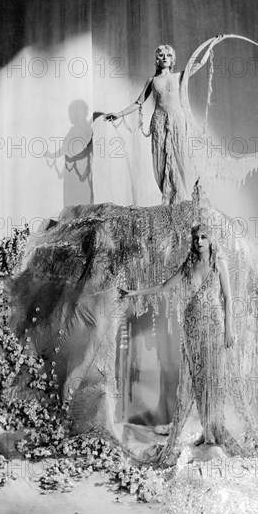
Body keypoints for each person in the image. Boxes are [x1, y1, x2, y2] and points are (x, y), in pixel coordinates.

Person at [120, 223, 235, 445]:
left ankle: (214, 431)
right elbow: (164, 286)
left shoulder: (219, 264)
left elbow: (228, 299)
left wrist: (229, 329)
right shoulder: (189, 265)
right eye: (196, 238)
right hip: (192, 329)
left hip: (214, 327)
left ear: (211, 240)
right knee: (198, 380)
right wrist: (134, 292)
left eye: (203, 237)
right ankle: (206, 431)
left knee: (214, 379)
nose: (199, 241)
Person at [104, 38, 224, 205]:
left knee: (179, 158)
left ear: (172, 59)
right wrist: (119, 114)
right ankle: (169, 197)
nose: (165, 57)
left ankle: (183, 197)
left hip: (177, 121)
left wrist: (211, 45)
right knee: (162, 161)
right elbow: (138, 103)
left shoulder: (179, 76)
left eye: (168, 55)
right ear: (157, 59)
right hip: (159, 121)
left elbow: (200, 63)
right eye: (161, 55)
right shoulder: (152, 81)